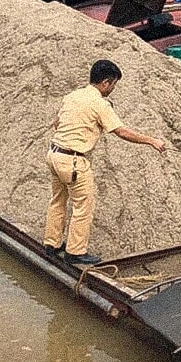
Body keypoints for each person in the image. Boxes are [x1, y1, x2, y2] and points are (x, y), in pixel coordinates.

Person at [44, 59, 167, 266]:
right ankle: (75, 251)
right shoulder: (99, 104)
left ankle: (52, 244)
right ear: (106, 83)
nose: (112, 90)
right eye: (113, 85)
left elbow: (57, 123)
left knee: (58, 200)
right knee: (83, 206)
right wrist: (152, 141)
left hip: (54, 154)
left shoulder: (73, 96)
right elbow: (121, 131)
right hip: (74, 161)